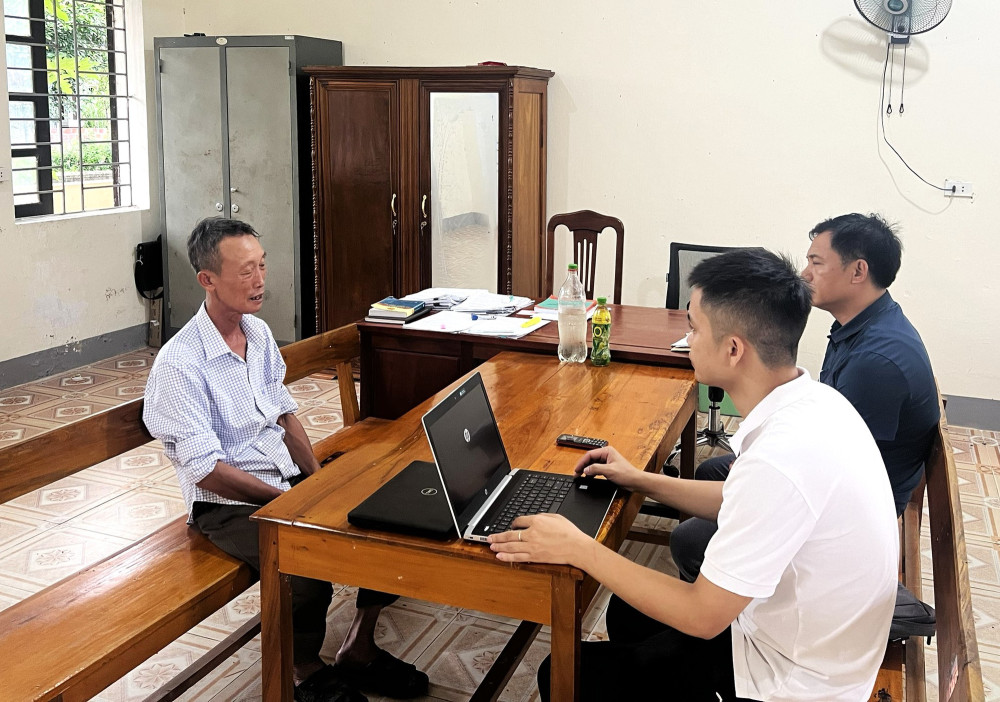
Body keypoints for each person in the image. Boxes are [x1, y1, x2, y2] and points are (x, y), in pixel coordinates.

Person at [488, 249, 899, 701]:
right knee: (626, 613)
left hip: (789, 680)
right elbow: (738, 498)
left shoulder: (781, 459)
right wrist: (639, 479)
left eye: (694, 327)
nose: (687, 340)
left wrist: (579, 548)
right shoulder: (811, 400)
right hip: (798, 636)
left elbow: (703, 616)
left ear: (733, 349)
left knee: (563, 675)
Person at [143, 218, 428, 702]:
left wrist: (318, 483)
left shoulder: (256, 332)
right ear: (207, 279)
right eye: (245, 271)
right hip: (226, 504)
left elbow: (284, 415)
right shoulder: (180, 363)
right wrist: (288, 501)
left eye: (262, 266)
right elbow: (206, 470)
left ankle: (359, 647)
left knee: (392, 514)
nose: (259, 281)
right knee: (304, 565)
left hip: (286, 480)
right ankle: (302, 671)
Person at [671, 213, 939, 582]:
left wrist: (761, 474)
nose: (805, 274)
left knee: (689, 539)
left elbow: (837, 468)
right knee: (710, 470)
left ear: (858, 271)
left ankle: (726, 589)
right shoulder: (863, 327)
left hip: (853, 509)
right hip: (834, 471)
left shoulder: (876, 361)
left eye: (816, 262)